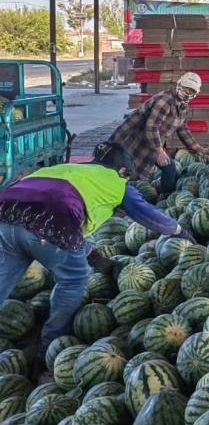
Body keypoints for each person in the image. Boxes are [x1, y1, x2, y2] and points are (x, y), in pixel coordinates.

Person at [0, 141, 194, 370]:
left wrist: (91, 255)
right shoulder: (116, 182)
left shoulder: (63, 170)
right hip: (50, 222)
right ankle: (48, 346)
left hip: (5, 215)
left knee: (3, 279)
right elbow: (148, 215)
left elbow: (53, 208)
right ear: (122, 172)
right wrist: (180, 231)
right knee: (74, 280)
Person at [109, 72, 209, 195]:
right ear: (179, 84)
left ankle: (165, 199)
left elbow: (182, 128)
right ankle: (114, 200)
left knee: (169, 168)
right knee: (124, 172)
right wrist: (159, 151)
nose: (187, 92)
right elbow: (151, 126)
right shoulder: (165, 101)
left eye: (191, 90)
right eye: (186, 87)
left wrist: (196, 148)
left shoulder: (183, 106)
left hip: (151, 142)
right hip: (134, 139)